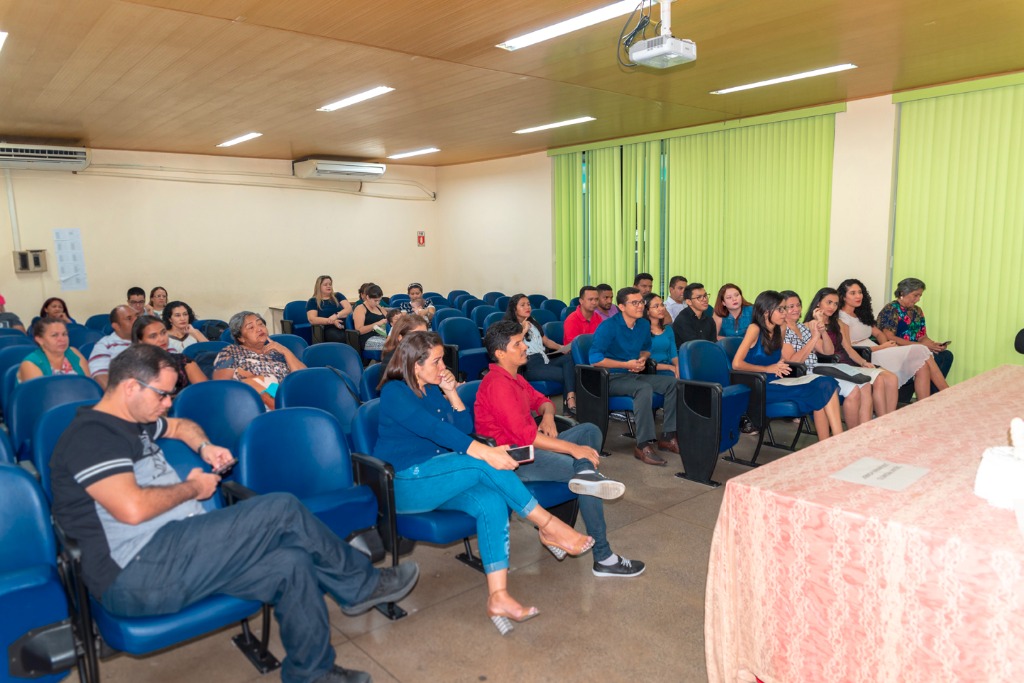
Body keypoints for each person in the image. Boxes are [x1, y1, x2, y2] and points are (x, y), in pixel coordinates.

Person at [49, 344, 419, 683]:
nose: (167, 404)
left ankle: (312, 673)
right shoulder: (92, 437)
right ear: (130, 387)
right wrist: (194, 488)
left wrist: (205, 447)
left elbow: (180, 426)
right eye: (163, 395)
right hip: (136, 573)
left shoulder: (135, 421)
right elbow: (131, 509)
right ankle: (361, 585)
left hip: (181, 552)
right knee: (281, 508)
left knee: (291, 563)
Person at [374, 331, 594, 634]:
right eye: (437, 361)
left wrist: (452, 393)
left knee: (491, 501)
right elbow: (435, 431)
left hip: (440, 478)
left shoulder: (433, 390)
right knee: (483, 461)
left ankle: (498, 596)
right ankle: (548, 525)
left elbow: (464, 429)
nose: (443, 367)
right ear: (415, 365)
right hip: (406, 483)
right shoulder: (395, 392)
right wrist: (486, 452)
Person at [475, 321, 645, 578]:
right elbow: (525, 437)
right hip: (513, 459)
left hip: (531, 446)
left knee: (589, 430)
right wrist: (572, 449)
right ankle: (603, 557)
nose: (525, 347)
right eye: (518, 344)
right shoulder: (497, 384)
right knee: (586, 478)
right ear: (500, 353)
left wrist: (547, 416)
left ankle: (585, 473)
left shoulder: (515, 377)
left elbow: (543, 402)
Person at [732, 290, 844, 440]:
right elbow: (736, 364)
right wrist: (767, 369)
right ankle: (838, 442)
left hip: (778, 380)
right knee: (823, 387)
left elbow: (776, 357)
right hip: (760, 386)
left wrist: (779, 364)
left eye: (785, 308)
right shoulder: (755, 329)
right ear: (766, 311)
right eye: (781, 309)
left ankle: (832, 441)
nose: (785, 313)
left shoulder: (781, 328)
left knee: (826, 383)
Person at [590, 287, 679, 466]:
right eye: (635, 303)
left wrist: (642, 359)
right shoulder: (608, 327)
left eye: (641, 302)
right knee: (644, 388)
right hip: (611, 378)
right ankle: (643, 445)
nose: (640, 306)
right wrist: (626, 365)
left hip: (633, 375)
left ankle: (668, 436)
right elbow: (595, 360)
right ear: (622, 307)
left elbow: (647, 348)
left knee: (672, 383)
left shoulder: (643, 325)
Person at [779, 291, 873, 429]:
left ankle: (859, 431)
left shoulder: (802, 327)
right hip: (802, 373)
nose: (796, 309)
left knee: (861, 385)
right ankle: (849, 434)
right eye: (791, 306)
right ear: (781, 309)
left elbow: (828, 351)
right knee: (846, 390)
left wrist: (822, 331)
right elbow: (794, 362)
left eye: (798, 305)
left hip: (816, 370)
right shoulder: (782, 330)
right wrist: (814, 338)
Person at [837, 278, 942, 399]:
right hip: (866, 354)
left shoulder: (861, 315)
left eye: (860, 292)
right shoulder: (842, 317)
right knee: (921, 349)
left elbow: (879, 334)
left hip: (880, 349)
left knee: (922, 364)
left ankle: (924, 404)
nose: (858, 296)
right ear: (843, 297)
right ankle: (947, 391)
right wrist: (883, 347)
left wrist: (887, 346)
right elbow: (849, 347)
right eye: (853, 293)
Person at [805, 287, 899, 418]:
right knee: (874, 381)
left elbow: (848, 348)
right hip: (831, 364)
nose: (832, 307)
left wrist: (863, 362)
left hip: (847, 362)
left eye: (835, 304)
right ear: (818, 303)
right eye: (829, 302)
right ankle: (876, 422)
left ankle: (884, 420)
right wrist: (820, 324)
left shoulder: (838, 322)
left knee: (889, 378)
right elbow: (826, 352)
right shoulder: (810, 325)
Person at [876, 277, 953, 397]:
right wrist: (920, 345)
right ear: (903, 293)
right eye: (915, 295)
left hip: (916, 348)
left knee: (946, 355)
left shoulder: (917, 311)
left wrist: (933, 345)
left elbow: (922, 336)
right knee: (922, 354)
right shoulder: (891, 309)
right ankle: (947, 393)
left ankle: (935, 396)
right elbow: (889, 337)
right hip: (897, 349)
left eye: (920, 296)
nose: (918, 299)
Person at [213, 311, 306, 408]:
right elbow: (221, 387)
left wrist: (286, 351)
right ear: (240, 338)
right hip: (255, 405)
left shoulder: (276, 351)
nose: (259, 329)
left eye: (261, 324)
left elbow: (303, 378)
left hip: (290, 398)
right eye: (251, 327)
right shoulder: (230, 353)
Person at [504, 294, 576, 415]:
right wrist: (523, 330)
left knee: (568, 359)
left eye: (528, 304)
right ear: (514, 309)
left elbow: (546, 341)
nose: (527, 307)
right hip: (529, 364)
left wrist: (561, 347)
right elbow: (512, 346)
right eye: (523, 305)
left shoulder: (533, 322)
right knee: (569, 373)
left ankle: (569, 400)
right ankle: (569, 403)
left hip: (544, 359)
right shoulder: (509, 327)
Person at [133, 315, 207, 392]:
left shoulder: (184, 361)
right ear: (140, 341)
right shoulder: (131, 367)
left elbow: (206, 391)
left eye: (163, 332)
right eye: (153, 336)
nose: (162, 339)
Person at [17, 318, 92, 381]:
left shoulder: (74, 353)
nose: (62, 339)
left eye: (64, 334)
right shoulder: (30, 363)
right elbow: (40, 393)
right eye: (54, 335)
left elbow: (89, 386)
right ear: (40, 340)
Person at [90, 305, 138, 389]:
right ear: (116, 326)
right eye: (129, 318)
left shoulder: (149, 339)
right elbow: (100, 376)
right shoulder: (105, 345)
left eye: (137, 316)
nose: (136, 321)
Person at [306, 275, 352, 344]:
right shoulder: (313, 301)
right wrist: (332, 321)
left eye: (330, 284)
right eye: (325, 285)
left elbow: (349, 309)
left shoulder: (338, 295)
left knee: (356, 334)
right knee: (341, 337)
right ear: (319, 287)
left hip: (346, 324)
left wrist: (336, 315)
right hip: (328, 327)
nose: (329, 286)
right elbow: (312, 319)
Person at [644, 293, 678, 377]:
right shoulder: (642, 331)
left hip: (670, 368)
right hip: (651, 370)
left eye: (662, 305)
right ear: (647, 311)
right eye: (656, 306)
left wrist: (678, 367)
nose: (661, 308)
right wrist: (669, 367)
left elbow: (673, 355)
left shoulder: (668, 329)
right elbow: (644, 361)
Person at [351, 284, 388, 353]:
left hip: (382, 336)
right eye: (375, 300)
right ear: (367, 297)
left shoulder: (378, 307)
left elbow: (388, 319)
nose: (377, 303)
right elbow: (359, 330)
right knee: (391, 345)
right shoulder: (360, 308)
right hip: (368, 339)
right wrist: (377, 324)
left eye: (379, 300)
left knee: (402, 341)